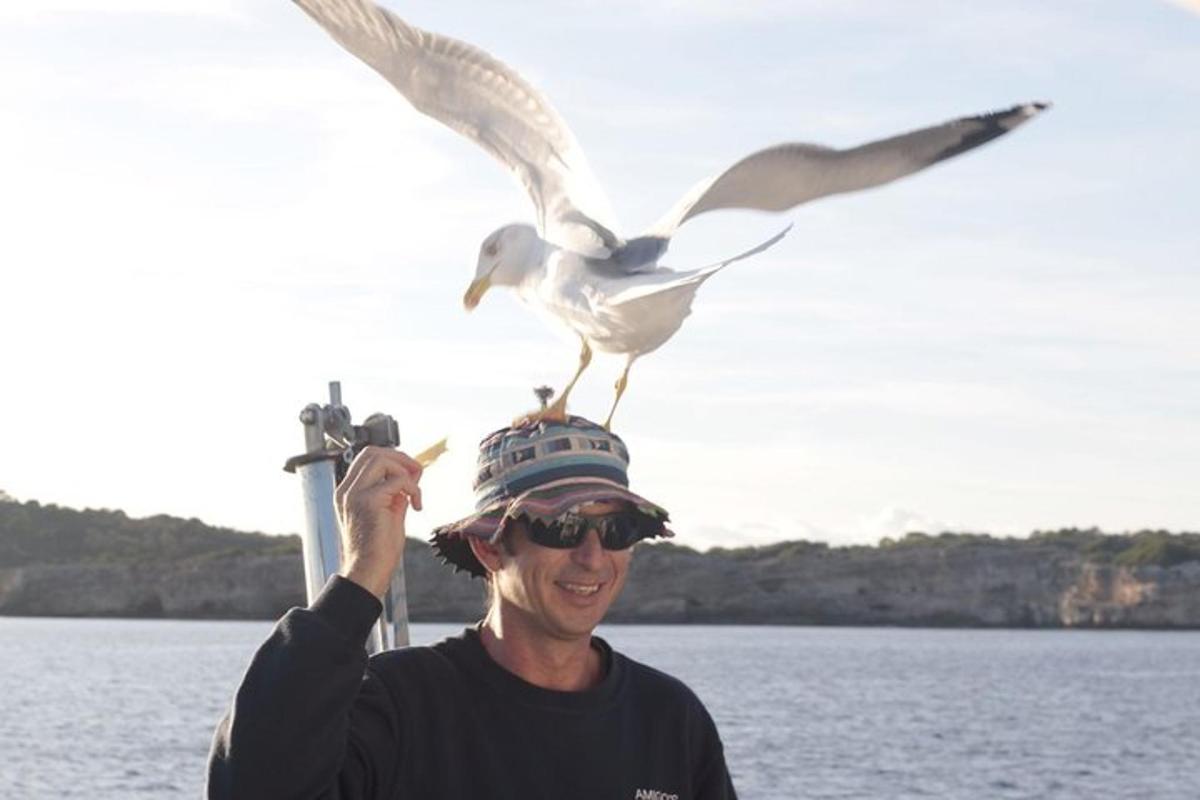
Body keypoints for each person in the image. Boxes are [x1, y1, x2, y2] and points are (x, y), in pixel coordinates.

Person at [207, 415, 737, 799]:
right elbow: (251, 786)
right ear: (489, 546)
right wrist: (363, 571)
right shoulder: (397, 703)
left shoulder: (669, 718)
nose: (593, 556)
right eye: (561, 527)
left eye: (618, 529)